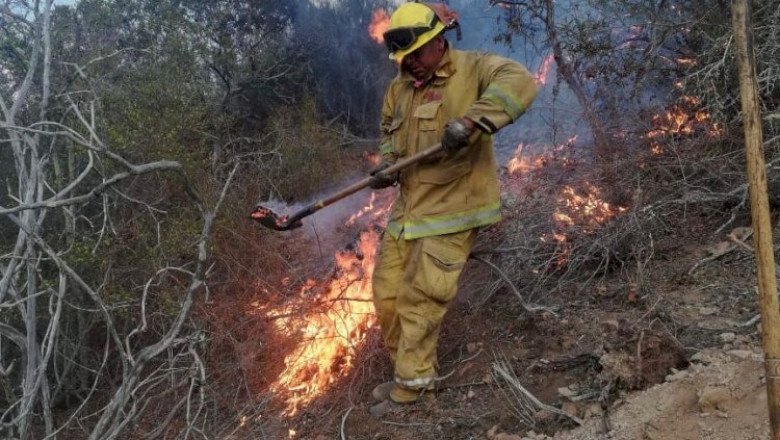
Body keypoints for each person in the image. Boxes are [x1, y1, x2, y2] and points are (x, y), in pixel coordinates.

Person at [368, 2, 538, 418]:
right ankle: (412, 371)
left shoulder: (476, 68)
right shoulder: (398, 89)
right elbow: (389, 134)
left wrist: (474, 121)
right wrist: (387, 165)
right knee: (387, 295)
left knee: (419, 299)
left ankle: (412, 392)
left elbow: (521, 81)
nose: (410, 65)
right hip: (408, 213)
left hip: (452, 209)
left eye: (416, 55)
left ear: (439, 42)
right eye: (403, 59)